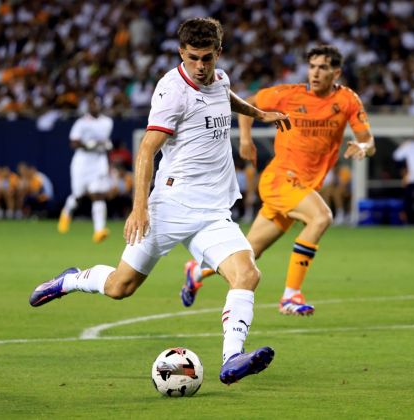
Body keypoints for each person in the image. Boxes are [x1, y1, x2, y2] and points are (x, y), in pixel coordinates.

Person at [29, 17, 290, 385]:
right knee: (121, 287)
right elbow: (147, 149)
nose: (201, 66)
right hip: (170, 206)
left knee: (247, 274)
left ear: (219, 52)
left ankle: (232, 358)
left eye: (208, 58)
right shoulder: (171, 91)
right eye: (193, 58)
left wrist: (258, 113)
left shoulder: (220, 77)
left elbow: (223, 96)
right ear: (181, 52)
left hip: (213, 210)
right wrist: (140, 208)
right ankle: (71, 280)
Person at [180, 45, 376, 316]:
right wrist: (246, 140)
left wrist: (364, 148)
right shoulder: (288, 94)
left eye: (323, 67)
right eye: (312, 66)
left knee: (248, 254)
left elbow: (368, 140)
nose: (315, 72)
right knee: (321, 218)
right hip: (280, 178)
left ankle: (197, 271)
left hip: (302, 186)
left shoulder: (347, 100)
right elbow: (248, 103)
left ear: (337, 72)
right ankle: (290, 296)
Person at [57, 95, 114, 243]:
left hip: (98, 162)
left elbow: (104, 142)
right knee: (78, 195)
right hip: (82, 162)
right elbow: (74, 143)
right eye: (90, 104)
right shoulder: (81, 123)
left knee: (98, 194)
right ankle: (67, 211)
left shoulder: (107, 122)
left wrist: (104, 146)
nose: (92, 107)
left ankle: (99, 230)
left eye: (94, 104)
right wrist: (88, 145)